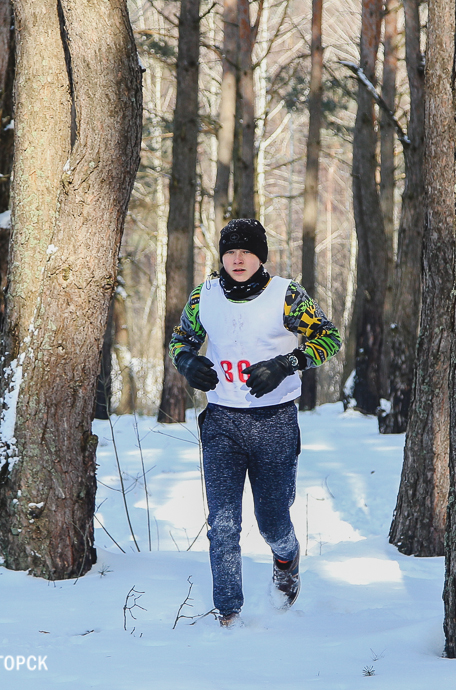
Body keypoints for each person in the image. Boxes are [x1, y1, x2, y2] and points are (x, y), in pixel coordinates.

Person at [168, 218, 341, 627]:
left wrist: (288, 363)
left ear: (260, 255)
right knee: (223, 524)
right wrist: (187, 362)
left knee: (272, 520)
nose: (237, 258)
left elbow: (328, 338)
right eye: (230, 251)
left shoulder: (286, 294)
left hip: (276, 422)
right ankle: (228, 613)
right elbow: (181, 339)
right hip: (222, 423)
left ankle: (287, 557)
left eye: (246, 251)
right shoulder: (204, 296)